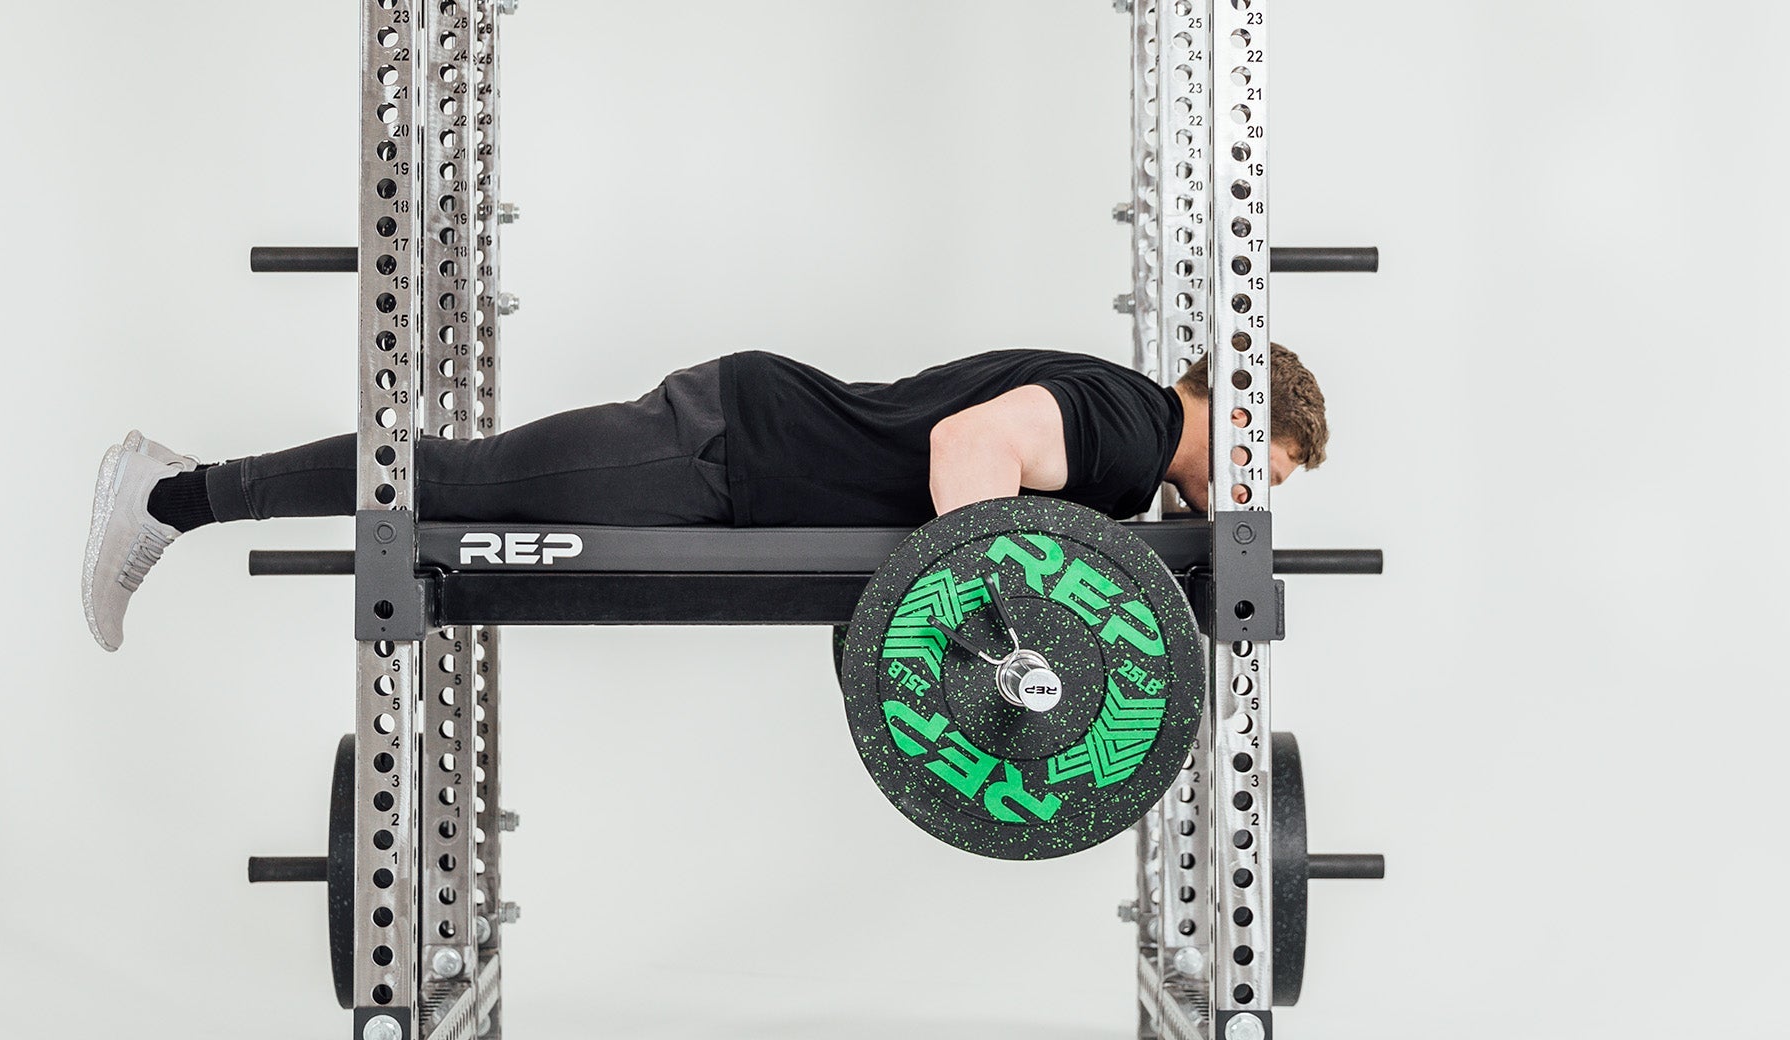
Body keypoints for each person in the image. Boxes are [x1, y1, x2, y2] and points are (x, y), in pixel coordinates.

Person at [82, 346, 1329, 651]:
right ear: (1232, 411)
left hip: (743, 454)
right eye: (1257, 471)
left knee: (450, 485)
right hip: (724, 451)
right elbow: (972, 449)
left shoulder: (1134, 443)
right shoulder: (1132, 425)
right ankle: (174, 494)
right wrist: (991, 629)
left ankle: (181, 492)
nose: (1242, 503)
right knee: (447, 485)